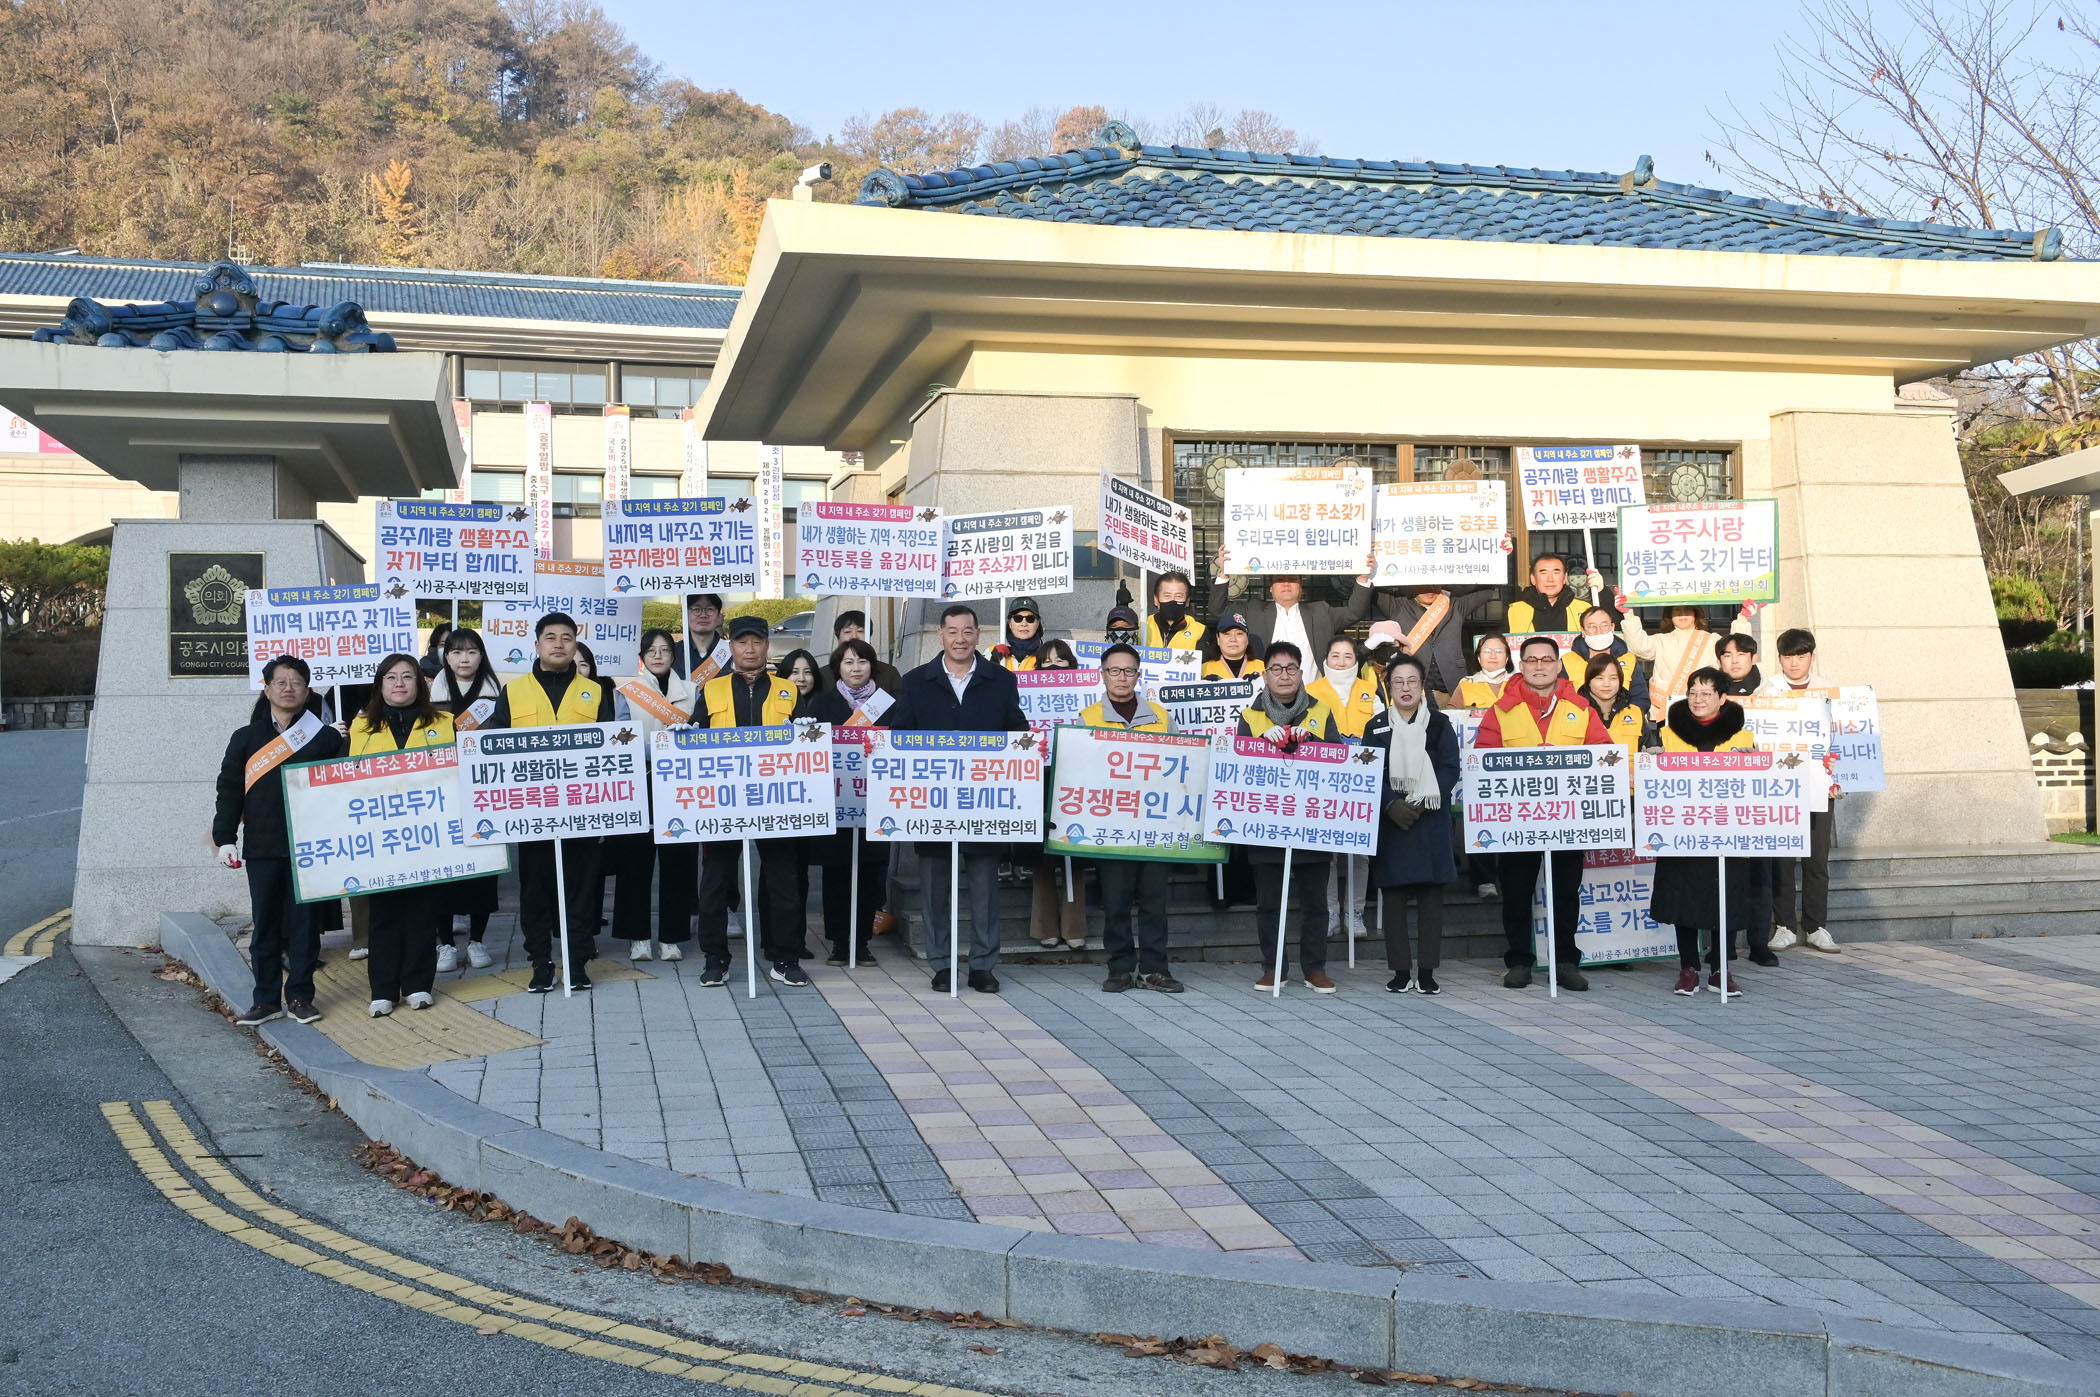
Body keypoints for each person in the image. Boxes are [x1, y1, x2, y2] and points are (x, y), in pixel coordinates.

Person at [885, 603, 1030, 994]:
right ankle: (941, 964)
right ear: (941, 635)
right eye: (952, 631)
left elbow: (1017, 732)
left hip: (984, 804)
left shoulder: (1001, 681)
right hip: (932, 805)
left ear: (978, 635)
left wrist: (1027, 749)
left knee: (985, 891)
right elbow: (900, 737)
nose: (960, 639)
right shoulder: (916, 681)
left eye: (967, 631)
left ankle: (983, 965)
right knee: (935, 891)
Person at [482, 612, 616, 993]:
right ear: (537, 644)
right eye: (551, 637)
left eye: (567, 638)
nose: (559, 644)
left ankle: (576, 962)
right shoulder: (514, 691)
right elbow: (494, 747)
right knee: (536, 892)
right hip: (532, 811)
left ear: (576, 644)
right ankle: (540, 962)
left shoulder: (595, 692)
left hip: (582, 809)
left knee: (581, 891)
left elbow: (609, 751)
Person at [1474, 634, 1611, 990]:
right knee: (1516, 892)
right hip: (1516, 820)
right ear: (1520, 666)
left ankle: (1566, 962)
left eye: (1546, 660)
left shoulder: (1582, 708)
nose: (1539, 666)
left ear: (1558, 665)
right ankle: (1519, 961)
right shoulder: (1500, 711)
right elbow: (1482, 760)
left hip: (1569, 819)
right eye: (1532, 660)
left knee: (1566, 892)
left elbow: (1604, 756)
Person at [216, 655, 345, 1027]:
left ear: (307, 690)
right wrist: (225, 838)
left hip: (310, 848)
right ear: (267, 689)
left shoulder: (325, 737)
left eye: (297, 683)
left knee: (305, 926)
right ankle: (266, 999)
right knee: (266, 925)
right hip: (263, 846)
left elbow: (342, 790)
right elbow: (229, 790)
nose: (289, 689)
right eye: (281, 682)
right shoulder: (246, 738)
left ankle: (301, 996)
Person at [692, 616, 810, 988]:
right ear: (731, 646)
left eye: (757, 641)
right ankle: (715, 958)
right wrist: (684, 736)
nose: (750, 649)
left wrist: (808, 732)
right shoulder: (711, 689)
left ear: (767, 646)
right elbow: (695, 737)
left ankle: (784, 957)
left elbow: (808, 742)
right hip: (723, 800)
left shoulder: (788, 691)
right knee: (715, 880)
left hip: (776, 800)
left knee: (782, 880)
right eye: (742, 642)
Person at [346, 654, 455, 1016]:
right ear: (380, 684)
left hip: (428, 832)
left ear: (419, 684)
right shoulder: (361, 728)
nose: (399, 684)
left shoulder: (445, 723)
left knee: (422, 910)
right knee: (384, 912)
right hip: (380, 835)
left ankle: (418, 985)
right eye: (391, 677)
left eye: (407, 677)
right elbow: (346, 780)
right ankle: (383, 989)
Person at [1235, 641, 1342, 992]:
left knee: (1315, 902)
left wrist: (1313, 744)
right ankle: (1274, 967)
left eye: (1291, 668)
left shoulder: (1321, 711)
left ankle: (1315, 968)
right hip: (1266, 823)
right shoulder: (1250, 716)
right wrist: (1259, 744)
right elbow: (1238, 767)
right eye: (1276, 669)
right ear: (1265, 675)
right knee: (1269, 903)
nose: (1284, 675)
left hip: (1312, 823)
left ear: (1301, 673)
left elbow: (1340, 761)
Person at [1077, 643, 1185, 993]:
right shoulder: (1087, 718)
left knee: (1155, 900)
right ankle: (1120, 967)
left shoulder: (1161, 717)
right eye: (1114, 670)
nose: (1121, 677)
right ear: (1102, 675)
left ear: (1139, 675)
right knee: (1116, 899)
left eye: (1128, 671)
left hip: (1154, 825)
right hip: (1110, 825)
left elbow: (1182, 767)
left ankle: (1155, 968)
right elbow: (1079, 773)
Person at [1654, 669, 1758, 996]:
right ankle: (1688, 968)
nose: (1698, 699)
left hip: (1728, 831)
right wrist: (1650, 761)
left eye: (1706, 693)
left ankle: (1720, 969)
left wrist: (1756, 764)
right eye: (1693, 693)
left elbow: (1758, 786)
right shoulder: (1666, 734)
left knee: (1726, 899)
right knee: (1682, 899)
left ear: (1722, 698)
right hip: (1681, 830)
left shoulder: (1743, 738)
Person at [1360, 654, 1459, 995]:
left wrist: (1420, 801)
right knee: (1394, 900)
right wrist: (1390, 804)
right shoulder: (1375, 726)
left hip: (1430, 820)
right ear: (1389, 687)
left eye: (1412, 681)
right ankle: (1401, 970)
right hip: (1393, 823)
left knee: (1431, 901)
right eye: (1398, 681)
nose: (1406, 688)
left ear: (1422, 686)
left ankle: (1427, 971)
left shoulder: (1440, 724)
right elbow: (1368, 770)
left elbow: (1450, 768)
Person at [608, 627, 699, 963]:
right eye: (651, 650)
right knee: (634, 862)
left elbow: (701, 735)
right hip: (639, 783)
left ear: (674, 656)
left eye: (664, 650)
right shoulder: (627, 692)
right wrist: (660, 749)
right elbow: (620, 739)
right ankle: (638, 937)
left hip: (680, 786)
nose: (658, 655)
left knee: (678, 862)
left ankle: (672, 937)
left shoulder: (692, 690)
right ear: (642, 657)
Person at [1757, 628, 1840, 955]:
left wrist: (1838, 768)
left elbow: (1845, 739)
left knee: (1816, 859)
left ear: (1812, 657)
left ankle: (1816, 926)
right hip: (1781, 789)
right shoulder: (1767, 692)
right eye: (1788, 656)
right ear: (1779, 658)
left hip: (1820, 786)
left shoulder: (1829, 692)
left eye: (1800, 656)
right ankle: (1785, 926)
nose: (1794, 663)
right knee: (1782, 860)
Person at [428, 627, 504, 972]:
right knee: (443, 870)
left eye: (471, 651)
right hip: (442, 793)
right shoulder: (431, 694)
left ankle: (477, 940)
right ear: (446, 656)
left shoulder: (496, 693)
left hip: (483, 792)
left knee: (483, 869)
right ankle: (444, 942)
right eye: (456, 652)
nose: (464, 658)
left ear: (481, 655)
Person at [819, 638, 890, 965]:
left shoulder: (887, 704)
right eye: (848, 662)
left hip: (875, 801)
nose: (856, 668)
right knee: (836, 873)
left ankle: (861, 941)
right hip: (836, 801)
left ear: (872, 666)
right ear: (838, 668)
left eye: (862, 661)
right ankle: (838, 942)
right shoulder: (822, 704)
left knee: (869, 873)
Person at [1308, 636, 1378, 942]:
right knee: (1328, 852)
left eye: (1347, 656)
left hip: (1363, 779)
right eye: (1335, 655)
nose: (1340, 661)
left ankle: (1355, 912)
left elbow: (1381, 731)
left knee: (1359, 852)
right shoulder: (1311, 691)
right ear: (1325, 659)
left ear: (1356, 660)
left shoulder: (1371, 691)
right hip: (1325, 780)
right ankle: (1331, 912)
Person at [1024, 640, 1088, 949]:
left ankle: (1074, 926)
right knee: (1042, 856)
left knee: (1074, 851)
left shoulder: (1086, 698)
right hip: (1038, 776)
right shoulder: (1024, 695)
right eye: (1046, 662)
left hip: (1075, 774)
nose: (1052, 667)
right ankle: (1044, 926)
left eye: (1060, 661)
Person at [1208, 553, 1367, 675]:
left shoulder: (1321, 612)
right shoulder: (1253, 611)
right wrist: (1224, 574)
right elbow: (1218, 610)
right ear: (1271, 588)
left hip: (1314, 696)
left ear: (1300, 586)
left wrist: (1363, 578)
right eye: (1280, 579)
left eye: (1292, 579)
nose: (1286, 584)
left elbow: (1354, 612)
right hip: (1267, 697)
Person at [1346, 579, 1498, 702]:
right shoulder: (1398, 605)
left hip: (1452, 687)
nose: (1430, 589)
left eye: (1434, 583)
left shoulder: (1455, 605)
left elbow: (1486, 590)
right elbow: (1371, 589)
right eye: (1423, 583)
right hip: (1414, 690)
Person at [1615, 592, 1755, 723]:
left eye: (1687, 609)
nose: (1682, 614)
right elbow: (1639, 647)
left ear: (1696, 613)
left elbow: (1736, 647)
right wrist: (1629, 615)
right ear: (1669, 614)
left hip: (1704, 710)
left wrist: (1742, 619)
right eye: (1677, 610)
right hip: (1665, 712)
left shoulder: (1712, 640)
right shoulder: (1660, 640)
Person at [1578, 650, 1649, 756]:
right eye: (1599, 678)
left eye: (1613, 678)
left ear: (1620, 681)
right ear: (1588, 681)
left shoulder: (1636, 713)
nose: (1606, 684)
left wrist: (1652, 752)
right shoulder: (1576, 713)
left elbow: (1649, 748)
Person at [1563, 603, 1640, 701]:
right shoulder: (1567, 661)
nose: (1599, 631)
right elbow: (1561, 698)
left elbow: (1640, 698)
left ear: (1612, 627)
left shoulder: (1629, 660)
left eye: (1604, 626)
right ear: (1583, 631)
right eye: (1592, 627)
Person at [1504, 554, 1591, 633]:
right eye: (1544, 573)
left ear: (1565, 578)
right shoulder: (1514, 611)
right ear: (1533, 579)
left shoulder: (1584, 609)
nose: (1550, 579)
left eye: (1556, 573)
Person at [822, 610, 903, 693]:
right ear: (838, 637)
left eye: (860, 631)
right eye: (847, 631)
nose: (854, 636)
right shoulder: (823, 676)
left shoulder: (888, 673)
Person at [671, 592, 728, 681]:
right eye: (696, 609)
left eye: (710, 609)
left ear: (719, 616)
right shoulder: (672, 653)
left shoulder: (731, 652)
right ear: (686, 615)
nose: (703, 615)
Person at [1146, 571, 1206, 651]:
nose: (1172, 600)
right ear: (1156, 600)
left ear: (1187, 601)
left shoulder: (1200, 631)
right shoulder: (1143, 627)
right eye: (1167, 596)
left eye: (1178, 596)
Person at [1200, 612, 1265, 683]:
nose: (1233, 639)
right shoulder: (1202, 670)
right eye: (1226, 634)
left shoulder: (1263, 668)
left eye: (1239, 634)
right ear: (1218, 639)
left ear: (1247, 638)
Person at [1454, 632, 1513, 709]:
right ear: (1479, 657)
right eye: (1487, 651)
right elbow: (1452, 714)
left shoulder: (1519, 683)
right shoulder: (1465, 684)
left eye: (1499, 651)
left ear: (1507, 658)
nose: (1493, 656)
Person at [992, 597, 1048, 671]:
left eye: (1030, 619)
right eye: (1018, 618)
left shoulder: (1048, 654)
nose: (1024, 624)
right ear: (1009, 623)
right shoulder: (992, 651)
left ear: (1038, 623)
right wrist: (992, 660)